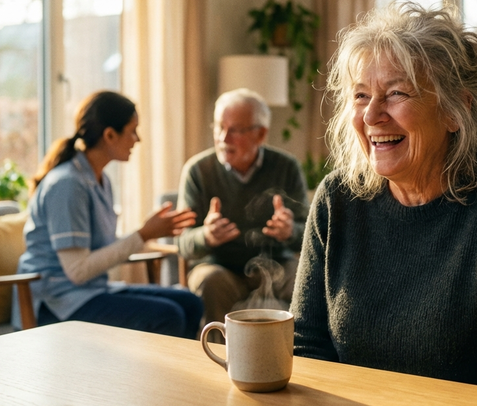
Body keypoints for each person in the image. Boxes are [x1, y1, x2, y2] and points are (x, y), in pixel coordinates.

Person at [291, 2, 477, 398]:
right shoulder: (337, 200)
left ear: (456, 110)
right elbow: (306, 350)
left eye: (396, 93)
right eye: (360, 95)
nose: (372, 115)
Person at [17, 90, 203, 339]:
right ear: (109, 135)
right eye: (132, 130)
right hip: (57, 305)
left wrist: (148, 232)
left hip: (90, 292)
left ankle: (178, 377)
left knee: (190, 303)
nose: (137, 139)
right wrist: (144, 234)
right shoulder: (68, 185)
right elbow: (78, 271)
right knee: (169, 315)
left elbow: (98, 251)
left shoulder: (99, 180)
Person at [176, 88, 308, 328]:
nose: (224, 138)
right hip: (219, 267)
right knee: (211, 281)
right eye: (219, 127)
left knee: (307, 278)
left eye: (235, 130)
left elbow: (309, 237)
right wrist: (206, 236)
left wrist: (290, 232)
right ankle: (215, 358)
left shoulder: (286, 166)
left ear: (261, 134)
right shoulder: (198, 171)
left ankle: (303, 357)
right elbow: (183, 244)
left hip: (277, 263)